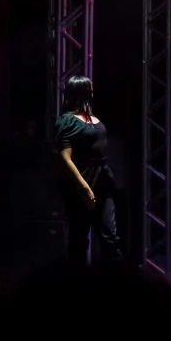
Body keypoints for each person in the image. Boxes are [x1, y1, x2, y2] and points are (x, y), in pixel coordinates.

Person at [55, 75, 124, 265]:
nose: (93, 91)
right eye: (89, 88)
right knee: (78, 240)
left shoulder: (93, 118)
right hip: (82, 183)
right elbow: (65, 157)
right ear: (80, 91)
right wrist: (84, 187)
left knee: (110, 237)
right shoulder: (67, 121)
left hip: (103, 181)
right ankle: (78, 287)